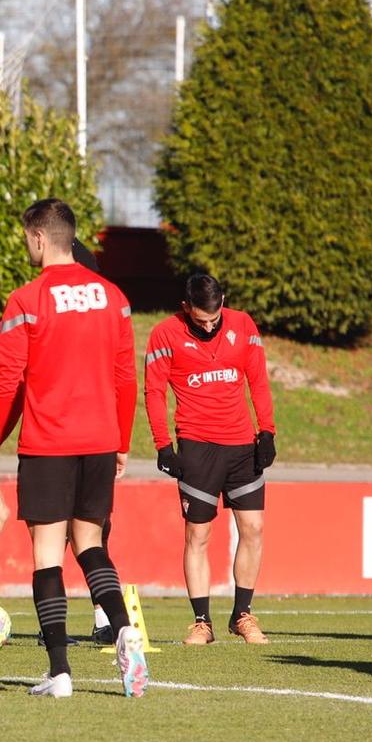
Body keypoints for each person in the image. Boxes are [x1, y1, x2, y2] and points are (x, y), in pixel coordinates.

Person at [0, 199, 148, 699]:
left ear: (37, 238)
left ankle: (60, 672)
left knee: (47, 556)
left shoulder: (26, 299)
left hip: (49, 444)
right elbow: (124, 375)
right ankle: (124, 630)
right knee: (92, 545)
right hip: (99, 441)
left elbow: (6, 380)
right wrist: (121, 442)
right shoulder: (113, 296)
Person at [145, 272, 277, 646]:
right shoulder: (164, 334)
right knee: (198, 535)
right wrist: (163, 445)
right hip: (197, 448)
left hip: (241, 447)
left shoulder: (243, 325)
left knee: (253, 529)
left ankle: (243, 615)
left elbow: (259, 381)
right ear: (186, 308)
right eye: (201, 320)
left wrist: (267, 431)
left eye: (214, 319)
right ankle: (202, 622)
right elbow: (154, 392)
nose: (209, 326)